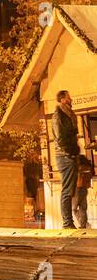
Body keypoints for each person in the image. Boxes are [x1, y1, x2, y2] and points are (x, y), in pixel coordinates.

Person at [52, 90, 81, 229]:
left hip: (69, 155)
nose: (71, 99)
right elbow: (60, 137)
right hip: (65, 156)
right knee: (67, 190)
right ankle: (67, 223)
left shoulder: (67, 114)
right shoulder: (59, 115)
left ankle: (68, 222)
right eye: (69, 97)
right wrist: (70, 152)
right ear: (63, 99)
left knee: (69, 190)